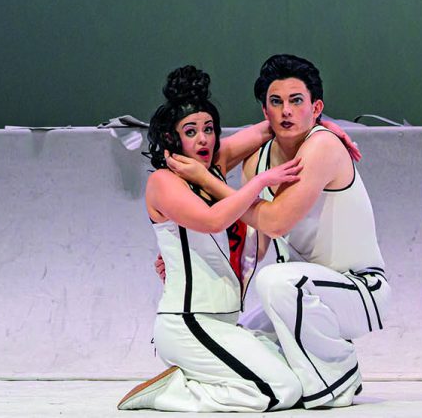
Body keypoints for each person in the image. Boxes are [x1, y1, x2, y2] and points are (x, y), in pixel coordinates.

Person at [168, 55, 388, 409]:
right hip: (304, 292)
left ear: (317, 108)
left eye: (296, 101)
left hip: (360, 290)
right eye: (276, 102)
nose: (286, 110)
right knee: (241, 340)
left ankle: (337, 378)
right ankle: (183, 389)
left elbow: (275, 221)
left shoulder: (324, 146)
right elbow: (251, 242)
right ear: (264, 110)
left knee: (275, 282)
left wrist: (209, 181)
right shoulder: (258, 160)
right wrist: (183, 252)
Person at [117, 66, 307, 412]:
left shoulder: (212, 167)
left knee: (301, 380)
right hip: (189, 322)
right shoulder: (163, 182)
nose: (203, 139)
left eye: (208, 129)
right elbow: (212, 220)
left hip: (224, 321)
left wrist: (328, 130)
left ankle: (199, 380)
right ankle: (173, 392)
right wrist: (259, 182)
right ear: (172, 138)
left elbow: (273, 126)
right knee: (280, 391)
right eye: (191, 131)